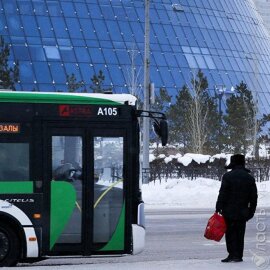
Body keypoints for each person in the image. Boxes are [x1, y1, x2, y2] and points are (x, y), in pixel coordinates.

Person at [216, 154, 257, 263]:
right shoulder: (249, 178)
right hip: (243, 211)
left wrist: (218, 206)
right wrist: (251, 211)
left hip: (228, 210)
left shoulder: (227, 176)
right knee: (240, 233)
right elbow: (253, 197)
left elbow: (223, 193)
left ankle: (231, 254)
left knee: (229, 233)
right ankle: (238, 255)